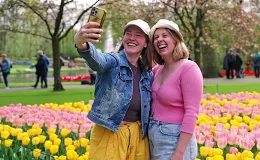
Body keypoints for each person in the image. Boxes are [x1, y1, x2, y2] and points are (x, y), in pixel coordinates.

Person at [74, 19, 153, 160]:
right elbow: (97, 59)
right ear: (123, 38)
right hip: (109, 132)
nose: (132, 38)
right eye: (128, 33)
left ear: (146, 43)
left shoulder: (147, 74)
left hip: (137, 136)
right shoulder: (113, 61)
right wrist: (82, 43)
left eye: (138, 35)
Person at [148, 19, 203, 160]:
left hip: (175, 139)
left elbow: (191, 113)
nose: (160, 39)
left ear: (176, 39)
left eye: (165, 35)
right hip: (153, 136)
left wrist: (179, 153)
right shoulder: (156, 70)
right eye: (156, 37)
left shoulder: (189, 68)